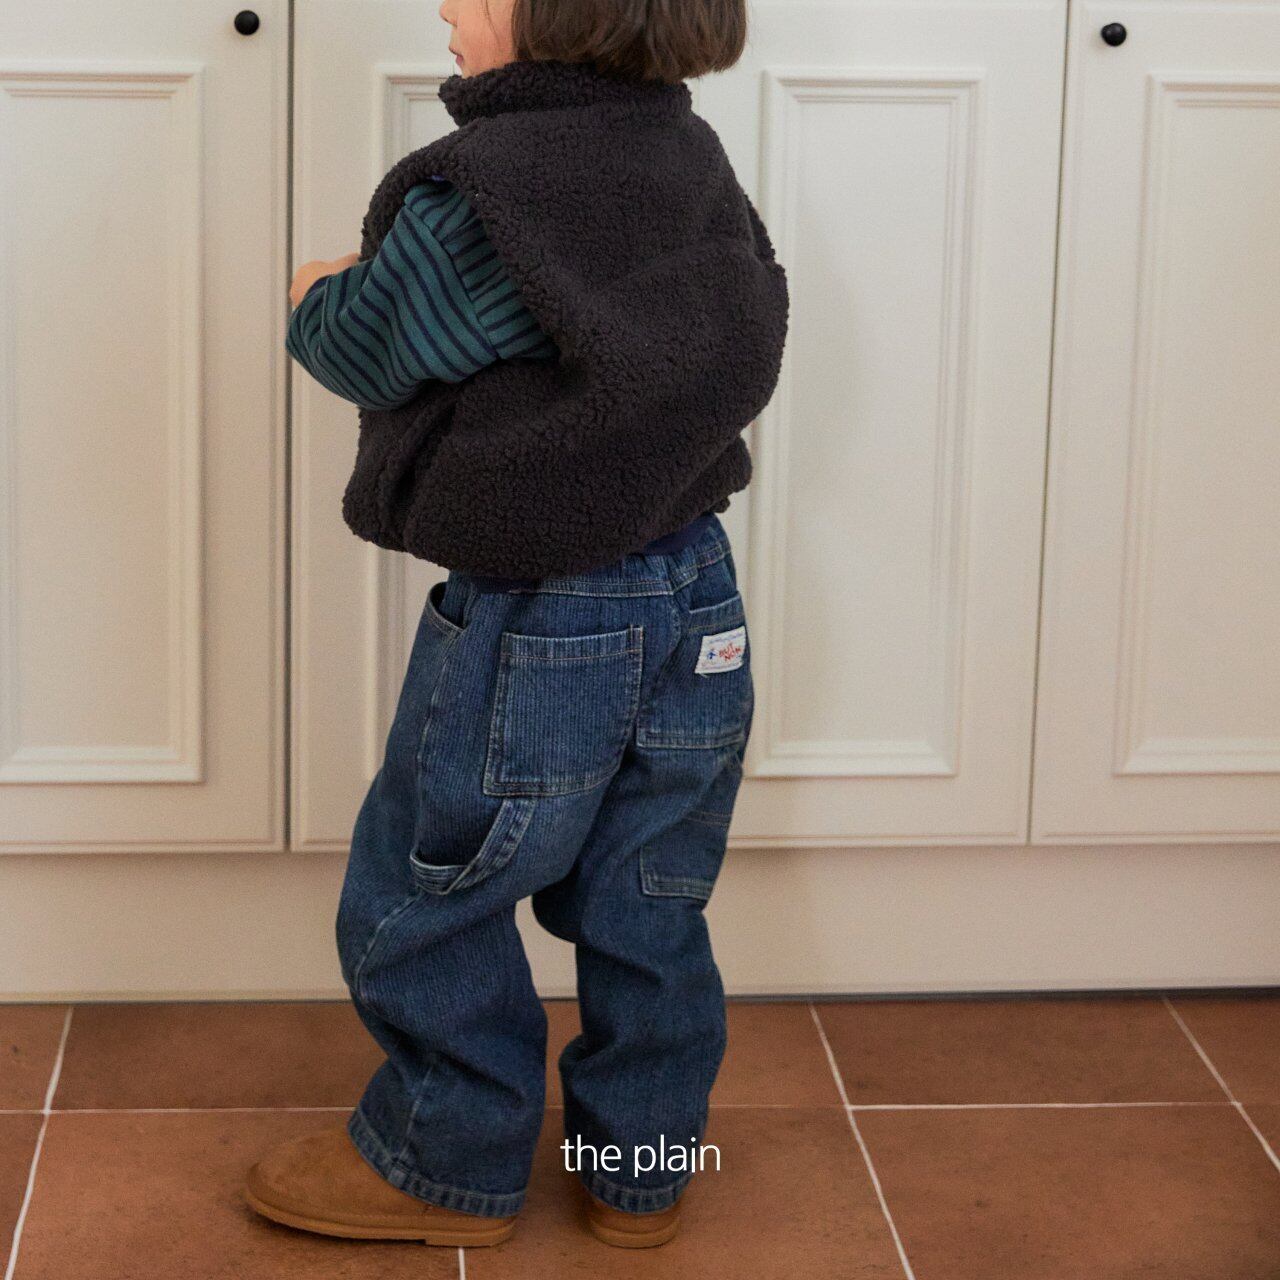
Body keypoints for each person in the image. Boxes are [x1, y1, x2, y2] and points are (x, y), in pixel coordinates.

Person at [245, 0, 788, 1251]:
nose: (444, 4)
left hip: (550, 610)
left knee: (431, 883)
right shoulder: (685, 155)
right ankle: (639, 1167)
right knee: (647, 898)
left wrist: (319, 289)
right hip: (695, 596)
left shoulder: (497, 193)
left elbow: (370, 346)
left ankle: (441, 1161)